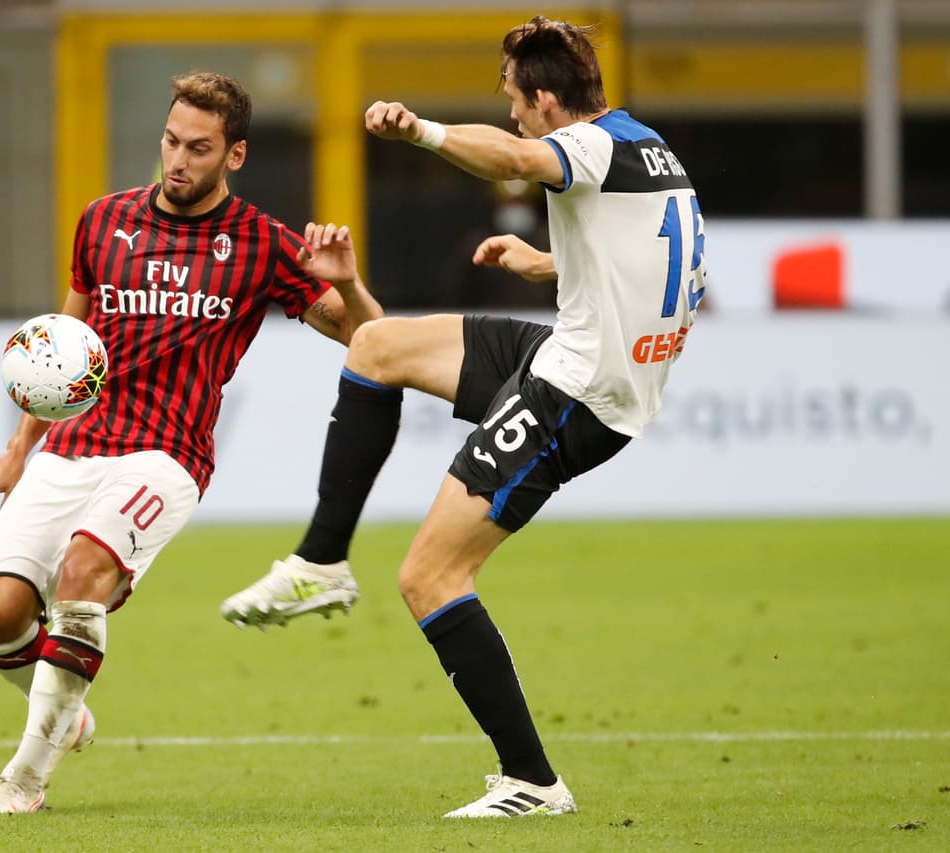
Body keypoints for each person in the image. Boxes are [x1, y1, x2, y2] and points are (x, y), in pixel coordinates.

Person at [221, 16, 706, 818]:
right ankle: (320, 562)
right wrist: (549, 260)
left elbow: (517, 158)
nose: (514, 113)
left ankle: (532, 781)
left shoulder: (581, 147)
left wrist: (423, 131)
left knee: (430, 576)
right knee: (376, 345)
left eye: (514, 99)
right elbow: (662, 263)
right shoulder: (649, 149)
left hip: (575, 395)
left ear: (547, 100)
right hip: (573, 357)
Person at [0, 70, 382, 814]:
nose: (178, 160)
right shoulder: (103, 221)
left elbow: (374, 341)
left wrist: (347, 285)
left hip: (167, 457)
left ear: (235, 155)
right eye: (170, 141)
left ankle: (24, 779)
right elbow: (67, 351)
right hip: (74, 447)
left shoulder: (262, 243)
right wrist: (17, 449)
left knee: (84, 570)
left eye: (199, 147)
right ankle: (67, 708)